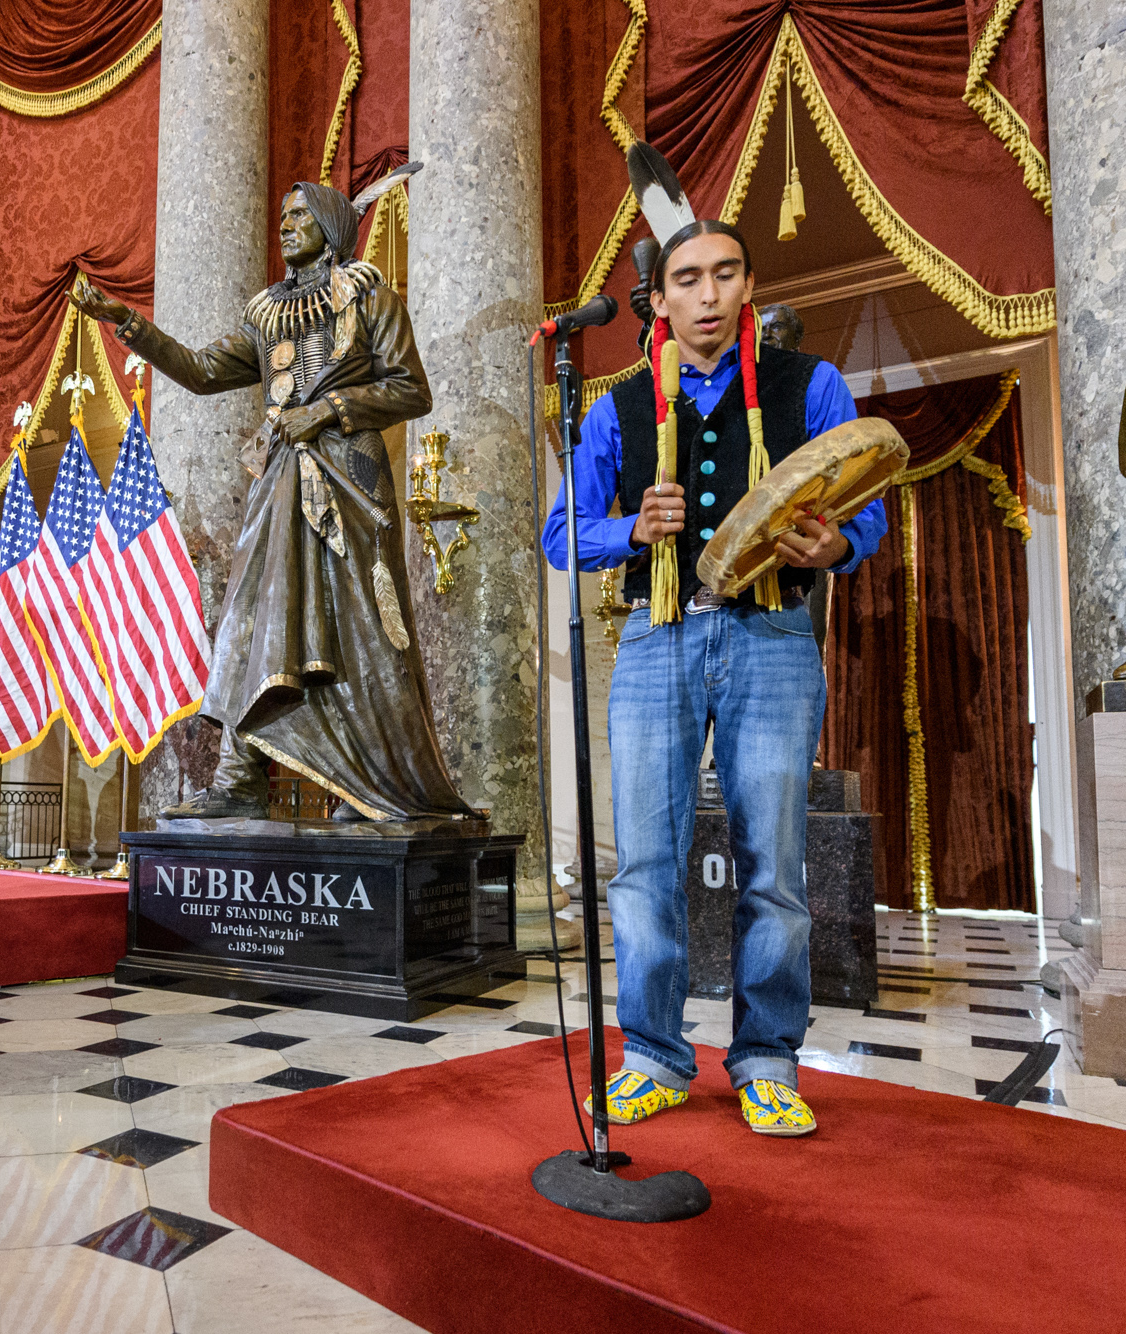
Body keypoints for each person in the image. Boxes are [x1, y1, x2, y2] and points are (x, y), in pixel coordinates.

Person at [542, 219, 887, 1138]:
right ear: (657, 299)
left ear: (747, 287)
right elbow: (560, 531)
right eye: (686, 279)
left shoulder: (807, 385)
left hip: (773, 633)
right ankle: (654, 1056)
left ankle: (767, 1059)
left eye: (724, 274)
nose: (706, 294)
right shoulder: (614, 406)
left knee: (773, 865)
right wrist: (629, 533)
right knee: (645, 866)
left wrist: (838, 541)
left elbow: (868, 502)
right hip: (658, 638)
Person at [71, 178, 466, 821]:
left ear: (334, 226)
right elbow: (201, 372)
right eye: (281, 215)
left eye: (299, 214)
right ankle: (239, 778)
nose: (284, 223)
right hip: (278, 478)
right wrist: (127, 323)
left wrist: (331, 408)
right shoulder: (268, 315)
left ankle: (364, 789)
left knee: (357, 623)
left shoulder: (370, 297)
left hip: (348, 477)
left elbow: (411, 390)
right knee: (254, 618)